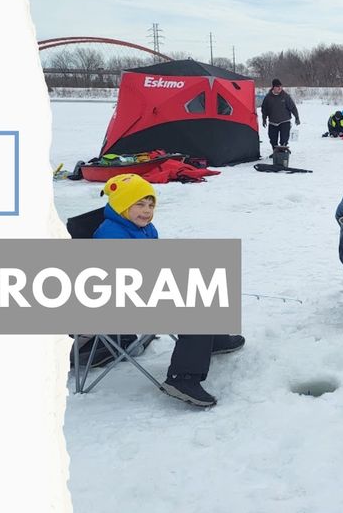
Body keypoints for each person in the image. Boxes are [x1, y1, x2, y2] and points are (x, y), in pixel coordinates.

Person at [93, 174, 245, 407]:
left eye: (151, 205)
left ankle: (211, 339)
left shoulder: (141, 227)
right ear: (122, 206)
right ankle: (182, 378)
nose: (147, 211)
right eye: (140, 205)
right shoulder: (111, 234)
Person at [260, 79, 300, 153]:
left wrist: (297, 117)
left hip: (285, 121)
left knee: (284, 139)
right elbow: (264, 109)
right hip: (272, 122)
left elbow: (293, 107)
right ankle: (275, 152)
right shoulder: (268, 97)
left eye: (280, 87)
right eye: (277, 87)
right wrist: (264, 119)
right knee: (273, 139)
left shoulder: (285, 96)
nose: (280, 88)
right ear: (273, 87)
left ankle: (282, 153)